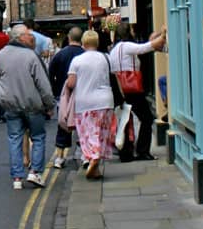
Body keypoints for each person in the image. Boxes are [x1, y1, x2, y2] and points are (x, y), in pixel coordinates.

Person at [0, 24, 55, 189]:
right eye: (29, 35)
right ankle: (35, 172)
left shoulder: (1, 55)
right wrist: (50, 104)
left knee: (15, 139)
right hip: (32, 105)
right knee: (38, 137)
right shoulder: (31, 56)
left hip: (11, 105)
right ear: (20, 37)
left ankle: (17, 179)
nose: (32, 38)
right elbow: (43, 84)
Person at [64, 30, 121, 180]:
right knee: (102, 132)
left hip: (85, 103)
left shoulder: (77, 60)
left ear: (83, 43)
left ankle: (92, 157)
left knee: (87, 133)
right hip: (105, 101)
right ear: (97, 43)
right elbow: (115, 77)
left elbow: (71, 83)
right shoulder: (106, 58)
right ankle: (95, 166)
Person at [108, 20, 167, 161]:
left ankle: (126, 153)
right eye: (132, 31)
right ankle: (142, 151)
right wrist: (164, 34)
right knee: (147, 118)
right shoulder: (127, 46)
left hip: (119, 89)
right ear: (128, 32)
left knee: (124, 120)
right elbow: (148, 47)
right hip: (132, 88)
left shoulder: (114, 49)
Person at [48, 26, 86, 167]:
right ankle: (83, 154)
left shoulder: (60, 55)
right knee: (82, 126)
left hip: (63, 97)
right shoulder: (85, 54)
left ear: (69, 38)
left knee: (63, 125)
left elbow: (51, 74)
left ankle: (59, 157)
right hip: (82, 96)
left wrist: (55, 91)